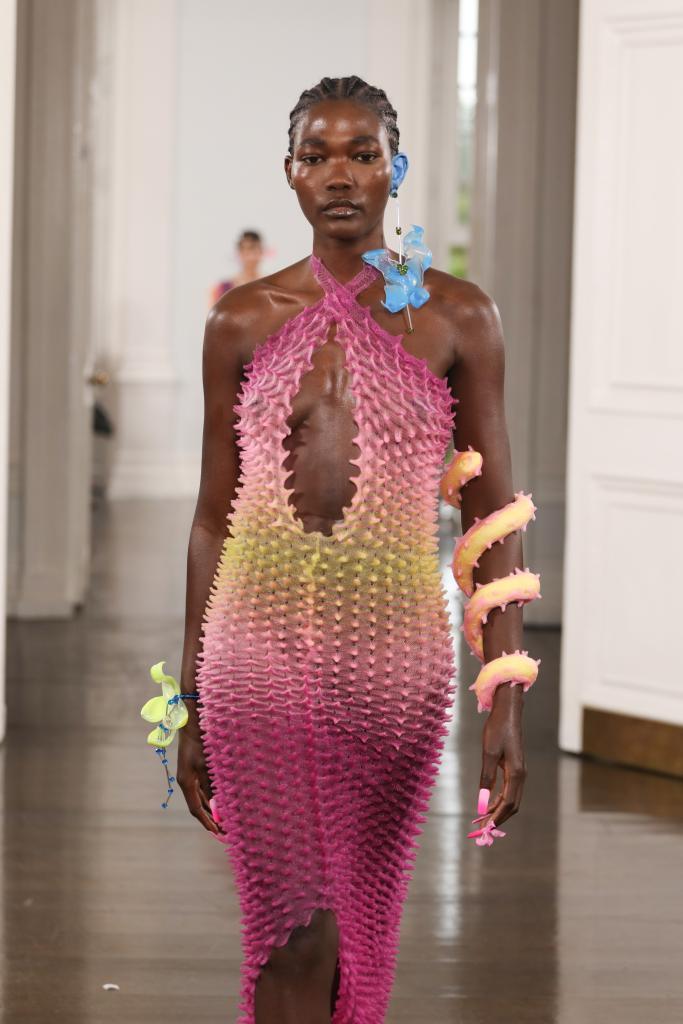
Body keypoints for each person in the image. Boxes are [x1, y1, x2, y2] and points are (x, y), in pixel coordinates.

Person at [176, 75, 529, 1024]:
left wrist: (503, 698)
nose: (340, 174)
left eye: (362, 153)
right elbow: (212, 517)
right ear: (289, 172)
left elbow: (494, 516)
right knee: (294, 928)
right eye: (317, 154)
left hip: (394, 665)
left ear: (394, 168)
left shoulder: (458, 317)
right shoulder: (239, 321)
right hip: (254, 651)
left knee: (358, 932)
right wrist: (188, 700)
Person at [210, 229, 266, 306]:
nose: (250, 256)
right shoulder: (223, 288)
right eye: (246, 249)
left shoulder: (270, 287)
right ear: (239, 253)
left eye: (254, 249)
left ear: (261, 252)